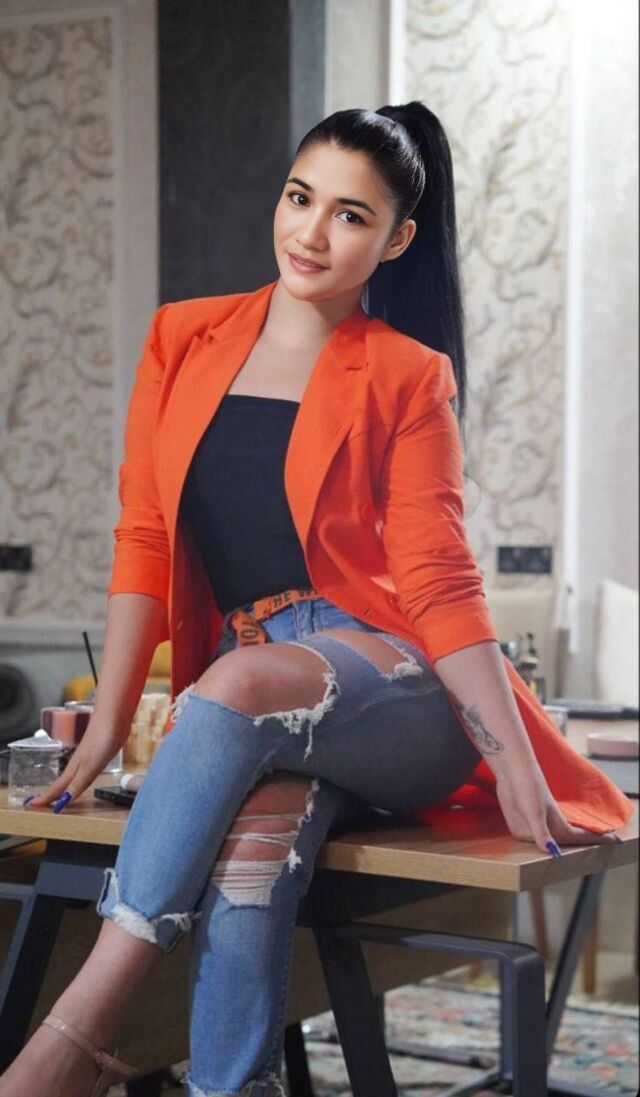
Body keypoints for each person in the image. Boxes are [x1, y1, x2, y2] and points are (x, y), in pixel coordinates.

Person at [2, 102, 631, 1097]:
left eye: (350, 214)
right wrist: (109, 721)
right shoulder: (182, 337)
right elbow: (145, 535)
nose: (311, 232)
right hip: (258, 684)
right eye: (301, 197)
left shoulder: (409, 374)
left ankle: (73, 1036)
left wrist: (512, 752)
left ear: (396, 239)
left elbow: (436, 580)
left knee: (239, 682)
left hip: (394, 682)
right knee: (255, 854)